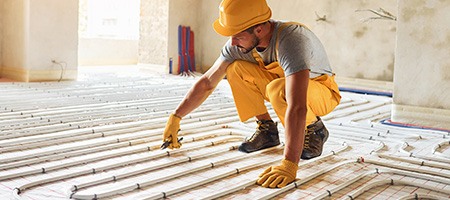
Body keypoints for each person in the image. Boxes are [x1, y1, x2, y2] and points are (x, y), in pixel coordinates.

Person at [162, 0, 341, 188]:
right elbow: (207, 82)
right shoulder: (239, 43)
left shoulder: (291, 40)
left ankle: (315, 129)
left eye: (238, 36)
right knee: (235, 68)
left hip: (321, 92)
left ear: (259, 30)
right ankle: (267, 131)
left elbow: (297, 106)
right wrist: (176, 116)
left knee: (278, 89)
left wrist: (289, 164)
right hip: (282, 86)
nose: (232, 42)